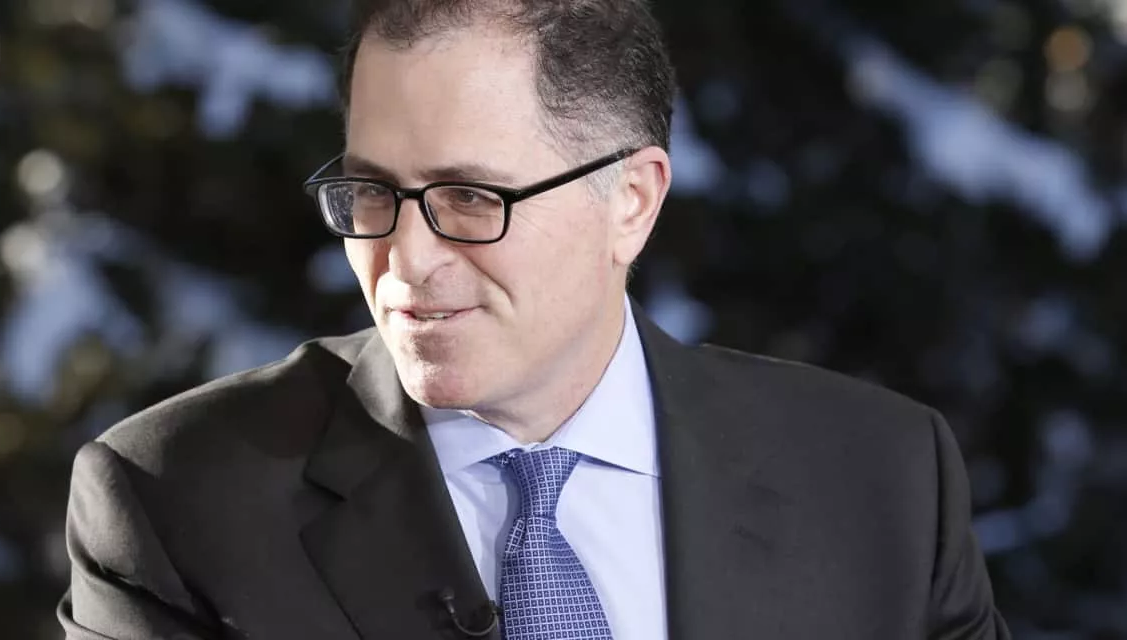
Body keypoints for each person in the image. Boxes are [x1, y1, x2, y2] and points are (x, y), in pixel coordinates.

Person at [58, 0, 1010, 638]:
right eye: (372, 191)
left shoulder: (885, 478)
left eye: (471, 197)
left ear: (631, 202)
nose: (406, 260)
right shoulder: (172, 503)